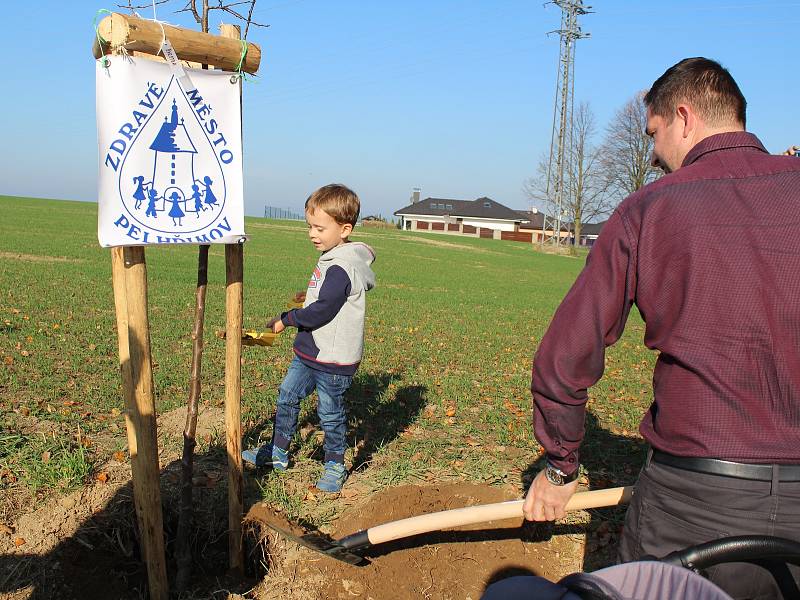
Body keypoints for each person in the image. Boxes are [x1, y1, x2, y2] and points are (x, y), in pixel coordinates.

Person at [521, 57, 800, 599]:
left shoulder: (647, 209)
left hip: (690, 504)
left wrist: (559, 467)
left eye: (654, 134)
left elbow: (564, 357)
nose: (653, 155)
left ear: (684, 116)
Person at [242, 184, 376, 493]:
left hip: (332, 359)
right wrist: (309, 298)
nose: (312, 234)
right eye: (309, 226)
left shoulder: (343, 266)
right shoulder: (333, 257)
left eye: (320, 227)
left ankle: (334, 465)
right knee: (287, 396)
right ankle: (277, 452)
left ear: (344, 229)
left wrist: (286, 319)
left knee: (330, 413)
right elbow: (326, 298)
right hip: (309, 352)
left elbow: (323, 311)